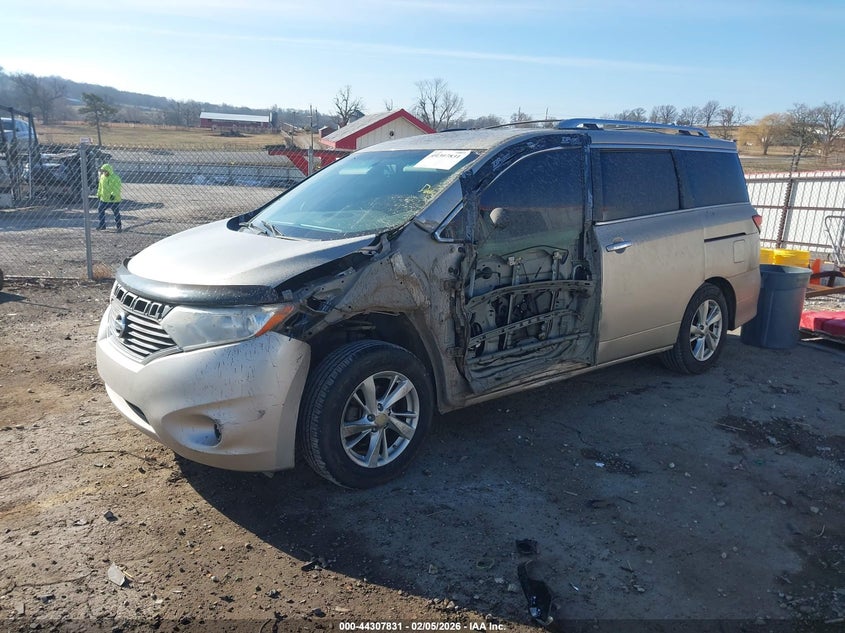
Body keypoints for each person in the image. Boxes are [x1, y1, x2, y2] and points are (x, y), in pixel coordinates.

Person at [96, 163, 122, 232]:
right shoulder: (102, 177)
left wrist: (113, 194)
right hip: (104, 199)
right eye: (102, 171)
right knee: (100, 210)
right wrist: (98, 194)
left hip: (114, 200)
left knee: (116, 213)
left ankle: (119, 226)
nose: (103, 172)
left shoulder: (115, 178)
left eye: (105, 171)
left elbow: (117, 188)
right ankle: (102, 225)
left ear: (108, 170)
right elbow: (100, 187)